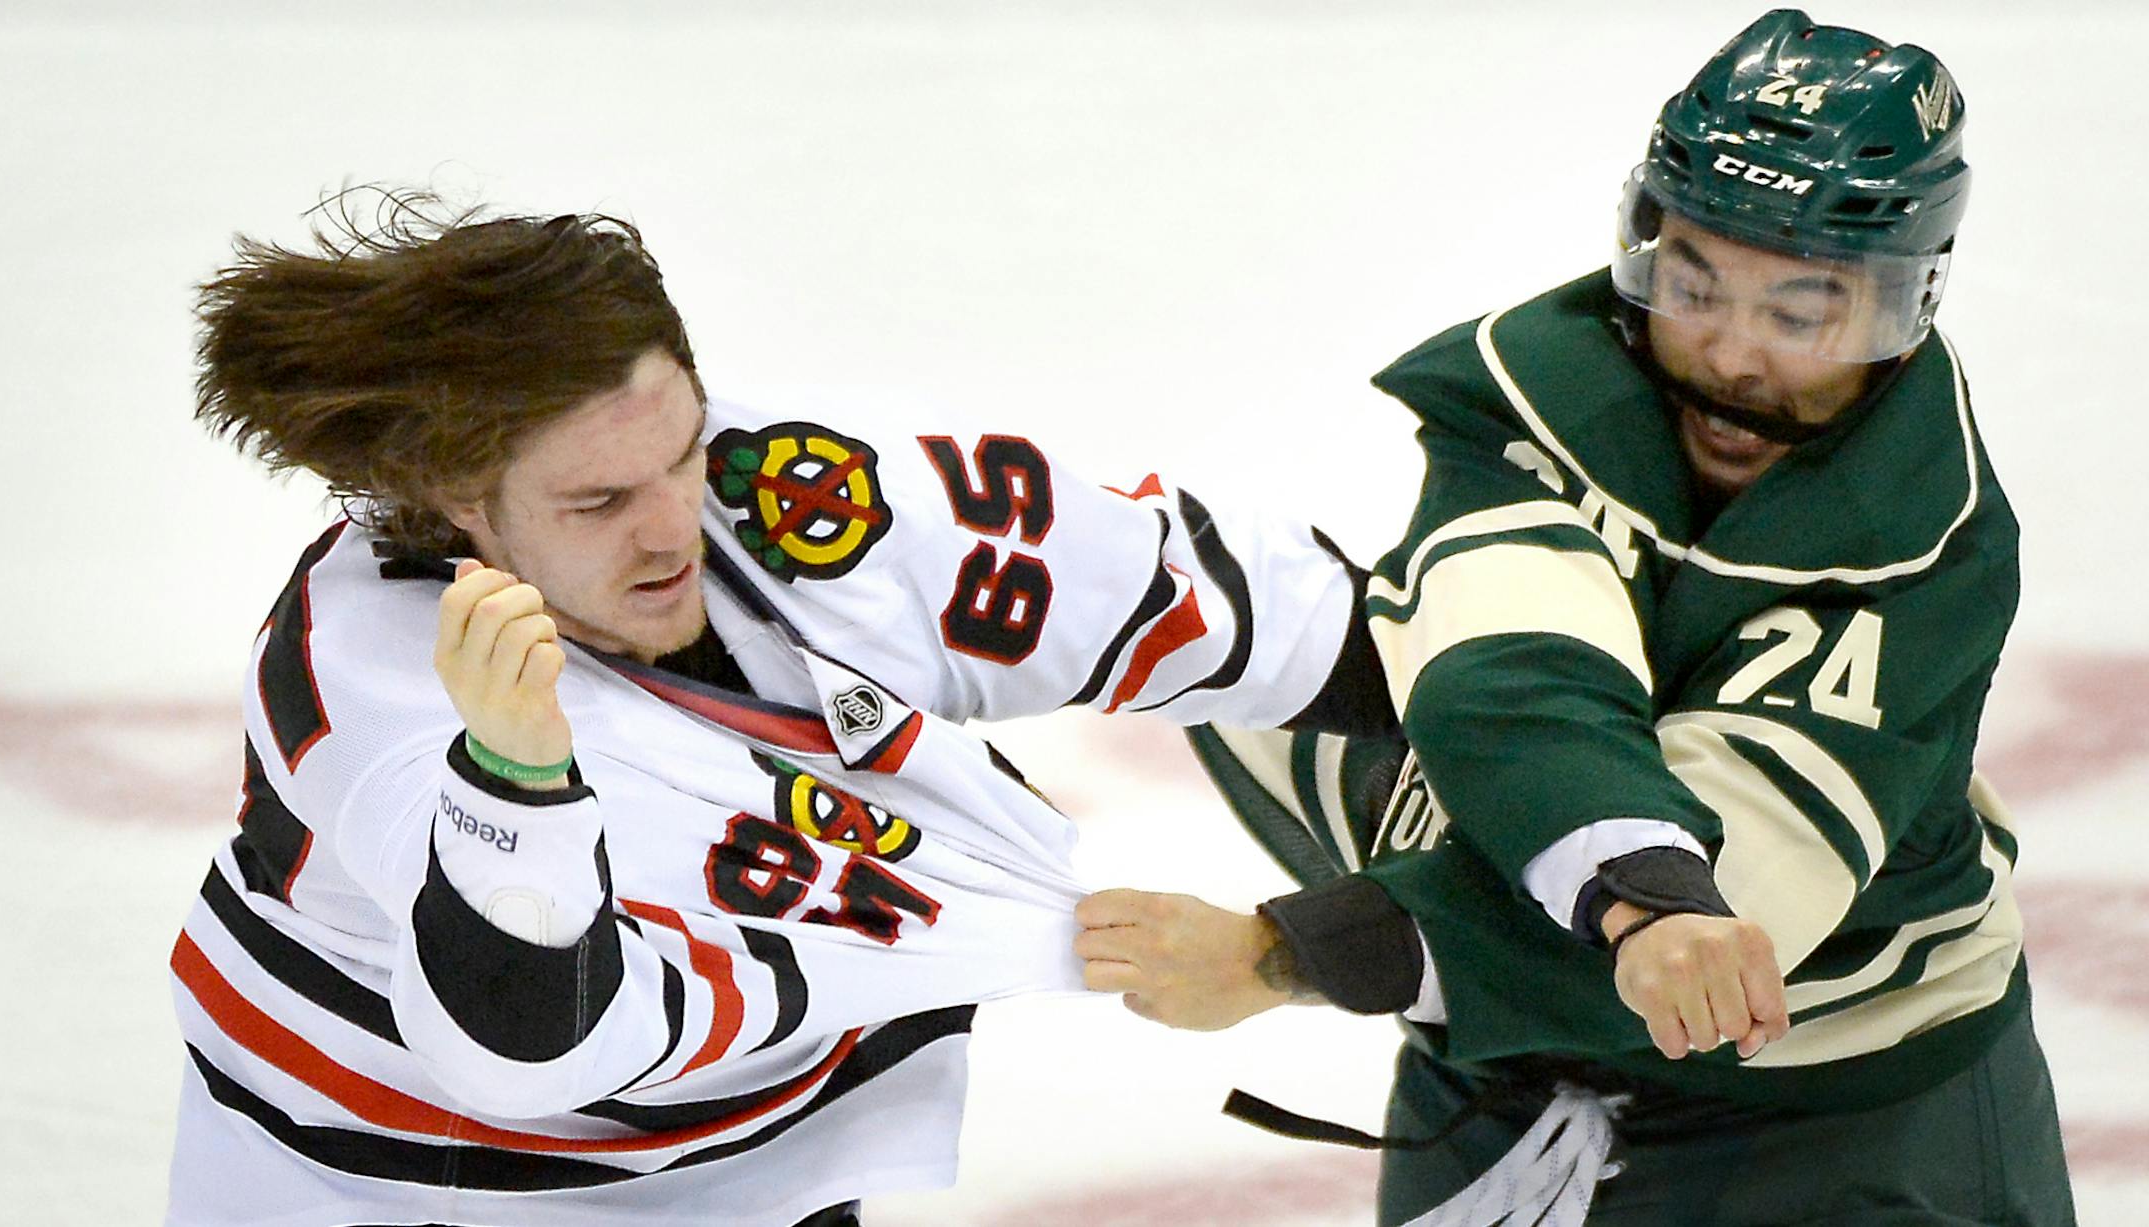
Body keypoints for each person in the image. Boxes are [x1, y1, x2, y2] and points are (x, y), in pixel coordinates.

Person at [166, 194, 1386, 1227]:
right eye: (597, 504)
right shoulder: (373, 683)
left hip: (761, 1160)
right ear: (453, 496)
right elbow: (528, 1039)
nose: (670, 529)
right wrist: (520, 781)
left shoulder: (782, 491)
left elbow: (1253, 612)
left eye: (683, 452)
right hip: (394, 1185)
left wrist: (1523, 702)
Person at [1075, 10, 2077, 1225]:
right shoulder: (1527, 407)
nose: (1730, 357)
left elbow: (1721, 922)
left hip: (1847, 1117)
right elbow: (1514, 677)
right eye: (1690, 286)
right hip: (1496, 1071)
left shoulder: (1928, 545)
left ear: (1903, 307)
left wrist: (1283, 955)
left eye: (1799, 315)